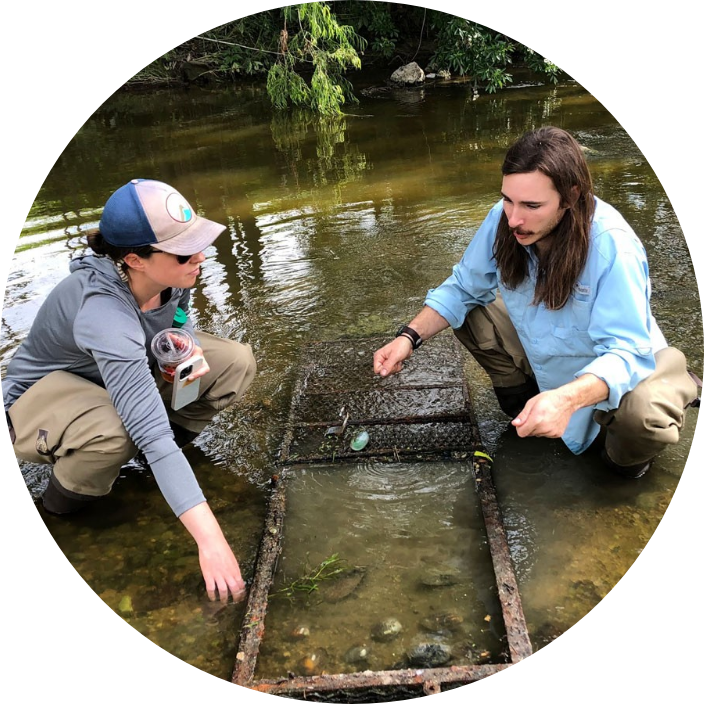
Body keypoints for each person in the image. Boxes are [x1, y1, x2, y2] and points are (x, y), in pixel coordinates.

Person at [373, 127, 701, 478]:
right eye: (507, 199)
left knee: (644, 417)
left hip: (622, 373)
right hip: (552, 356)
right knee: (468, 311)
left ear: (570, 195)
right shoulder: (505, 220)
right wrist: (408, 338)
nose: (514, 218)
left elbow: (625, 355)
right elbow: (462, 287)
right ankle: (523, 400)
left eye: (532, 205)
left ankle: (627, 458)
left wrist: (566, 399)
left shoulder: (613, 247)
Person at [4, 178, 257, 602]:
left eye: (196, 242)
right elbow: (151, 434)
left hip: (113, 376)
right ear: (136, 260)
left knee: (234, 362)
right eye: (183, 251)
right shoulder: (102, 311)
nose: (200, 256)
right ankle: (62, 507)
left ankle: (159, 472)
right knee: (120, 431)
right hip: (39, 400)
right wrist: (210, 541)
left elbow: (180, 320)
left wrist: (182, 345)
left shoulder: (173, 276)